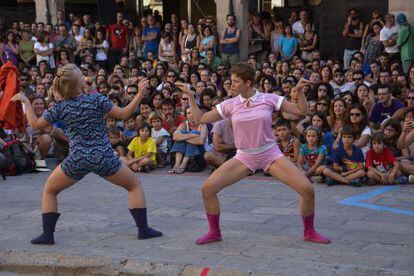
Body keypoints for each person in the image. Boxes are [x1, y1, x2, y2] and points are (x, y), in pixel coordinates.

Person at [175, 62, 330, 245]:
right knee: (207, 189)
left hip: (270, 153)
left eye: (235, 81)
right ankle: (214, 232)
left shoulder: (268, 98)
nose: (231, 85)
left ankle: (309, 231)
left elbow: (300, 110)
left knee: (307, 190)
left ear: (248, 83)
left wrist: (300, 92)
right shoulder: (230, 104)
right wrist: (191, 96)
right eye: (230, 81)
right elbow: (200, 119)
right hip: (243, 156)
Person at [11, 64, 162, 245]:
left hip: (78, 158)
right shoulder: (97, 99)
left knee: (50, 191)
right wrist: (139, 94)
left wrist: (25, 101)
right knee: (134, 186)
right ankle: (143, 230)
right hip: (103, 156)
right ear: (78, 83)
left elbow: (35, 124)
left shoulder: (61, 107)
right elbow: (123, 114)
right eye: (81, 76)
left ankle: (47, 235)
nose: (84, 78)